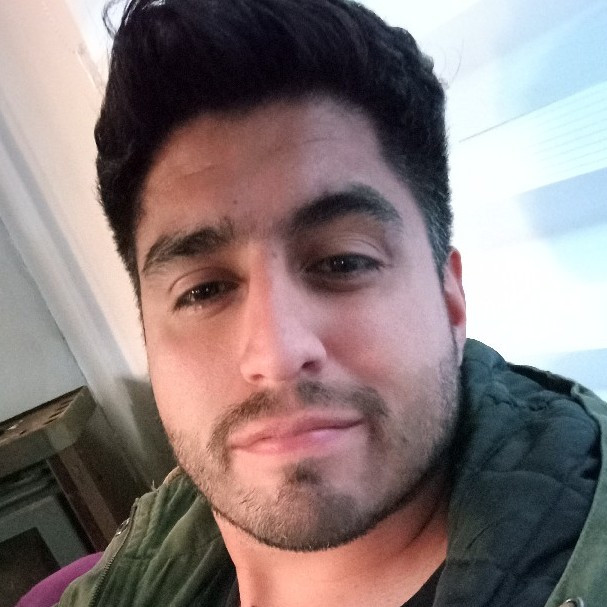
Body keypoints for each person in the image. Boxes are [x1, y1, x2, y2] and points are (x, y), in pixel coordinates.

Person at [58, 1, 607, 606]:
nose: (276, 354)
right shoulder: (140, 565)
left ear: (450, 299)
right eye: (204, 291)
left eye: (343, 262)